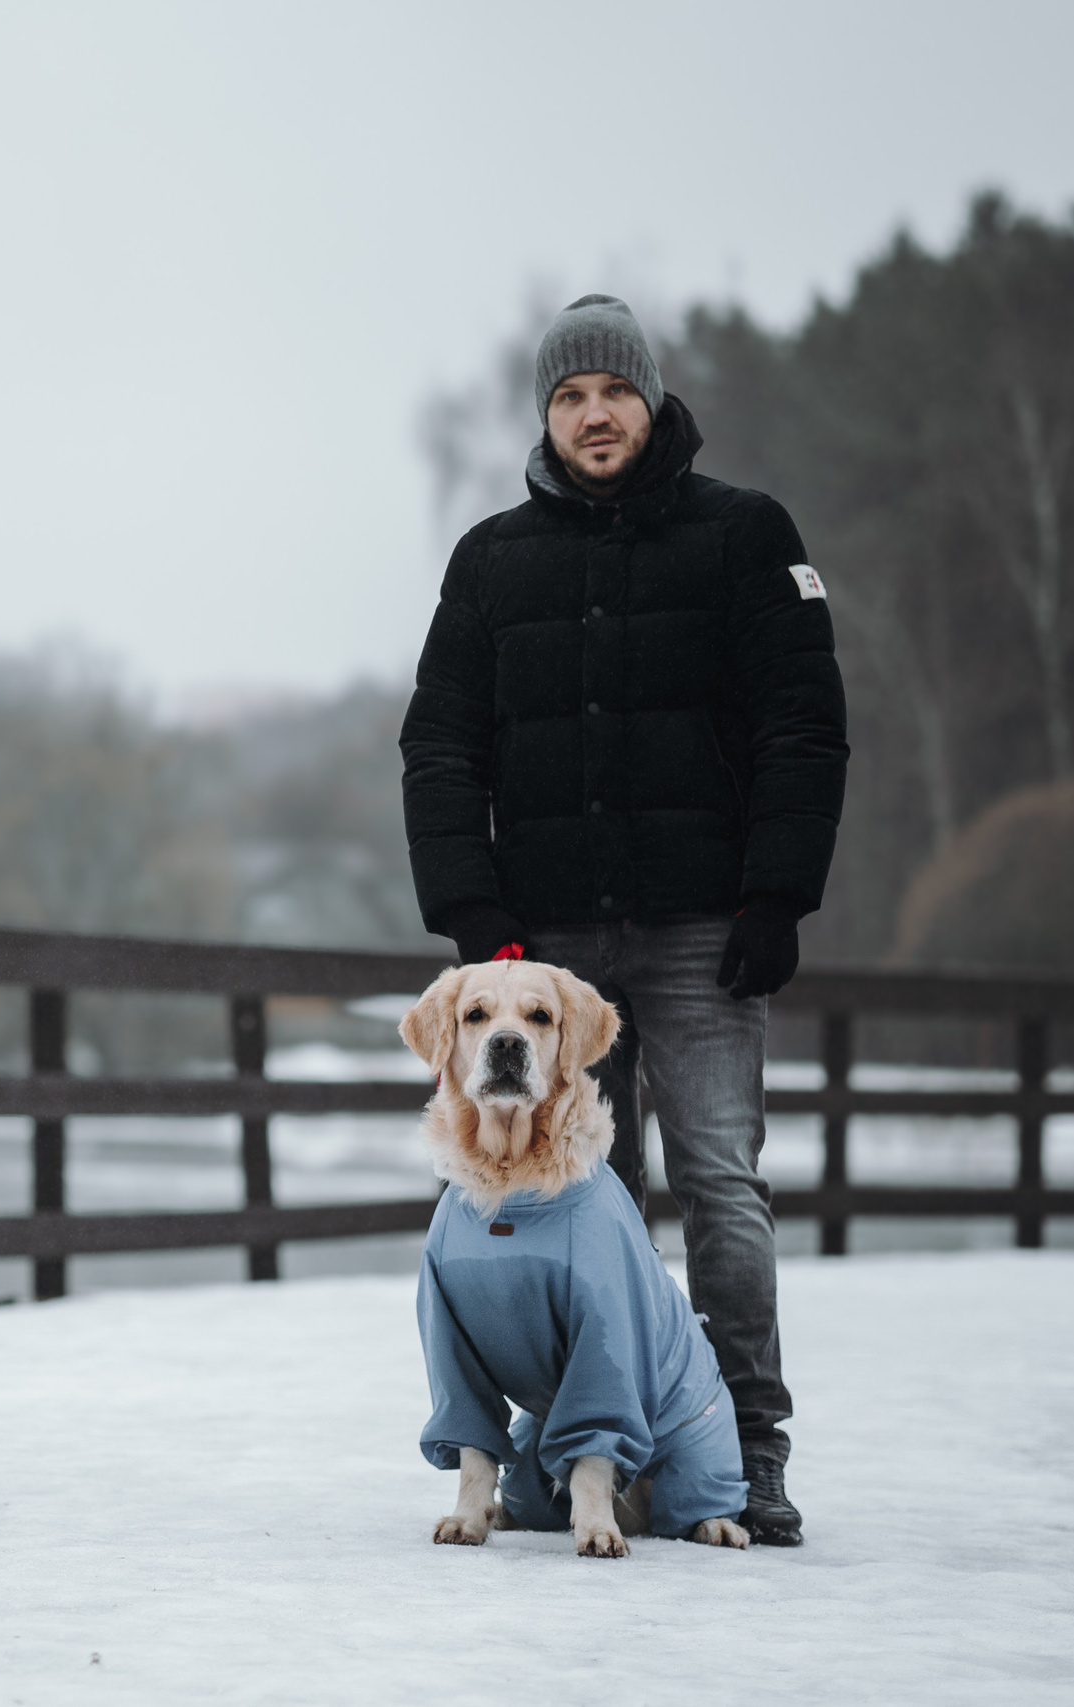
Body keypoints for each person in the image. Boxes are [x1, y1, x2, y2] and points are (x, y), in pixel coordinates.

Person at [399, 294, 848, 1545]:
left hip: (708, 932)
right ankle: (593, 1455)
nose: (594, 414)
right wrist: (476, 916)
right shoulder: (491, 561)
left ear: (652, 403)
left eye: (614, 391)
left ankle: (746, 1453)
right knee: (587, 1206)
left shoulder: (747, 538)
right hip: (545, 953)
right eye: (567, 395)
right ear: (545, 417)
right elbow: (440, 746)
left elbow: (801, 726)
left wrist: (776, 895)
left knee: (720, 1185)